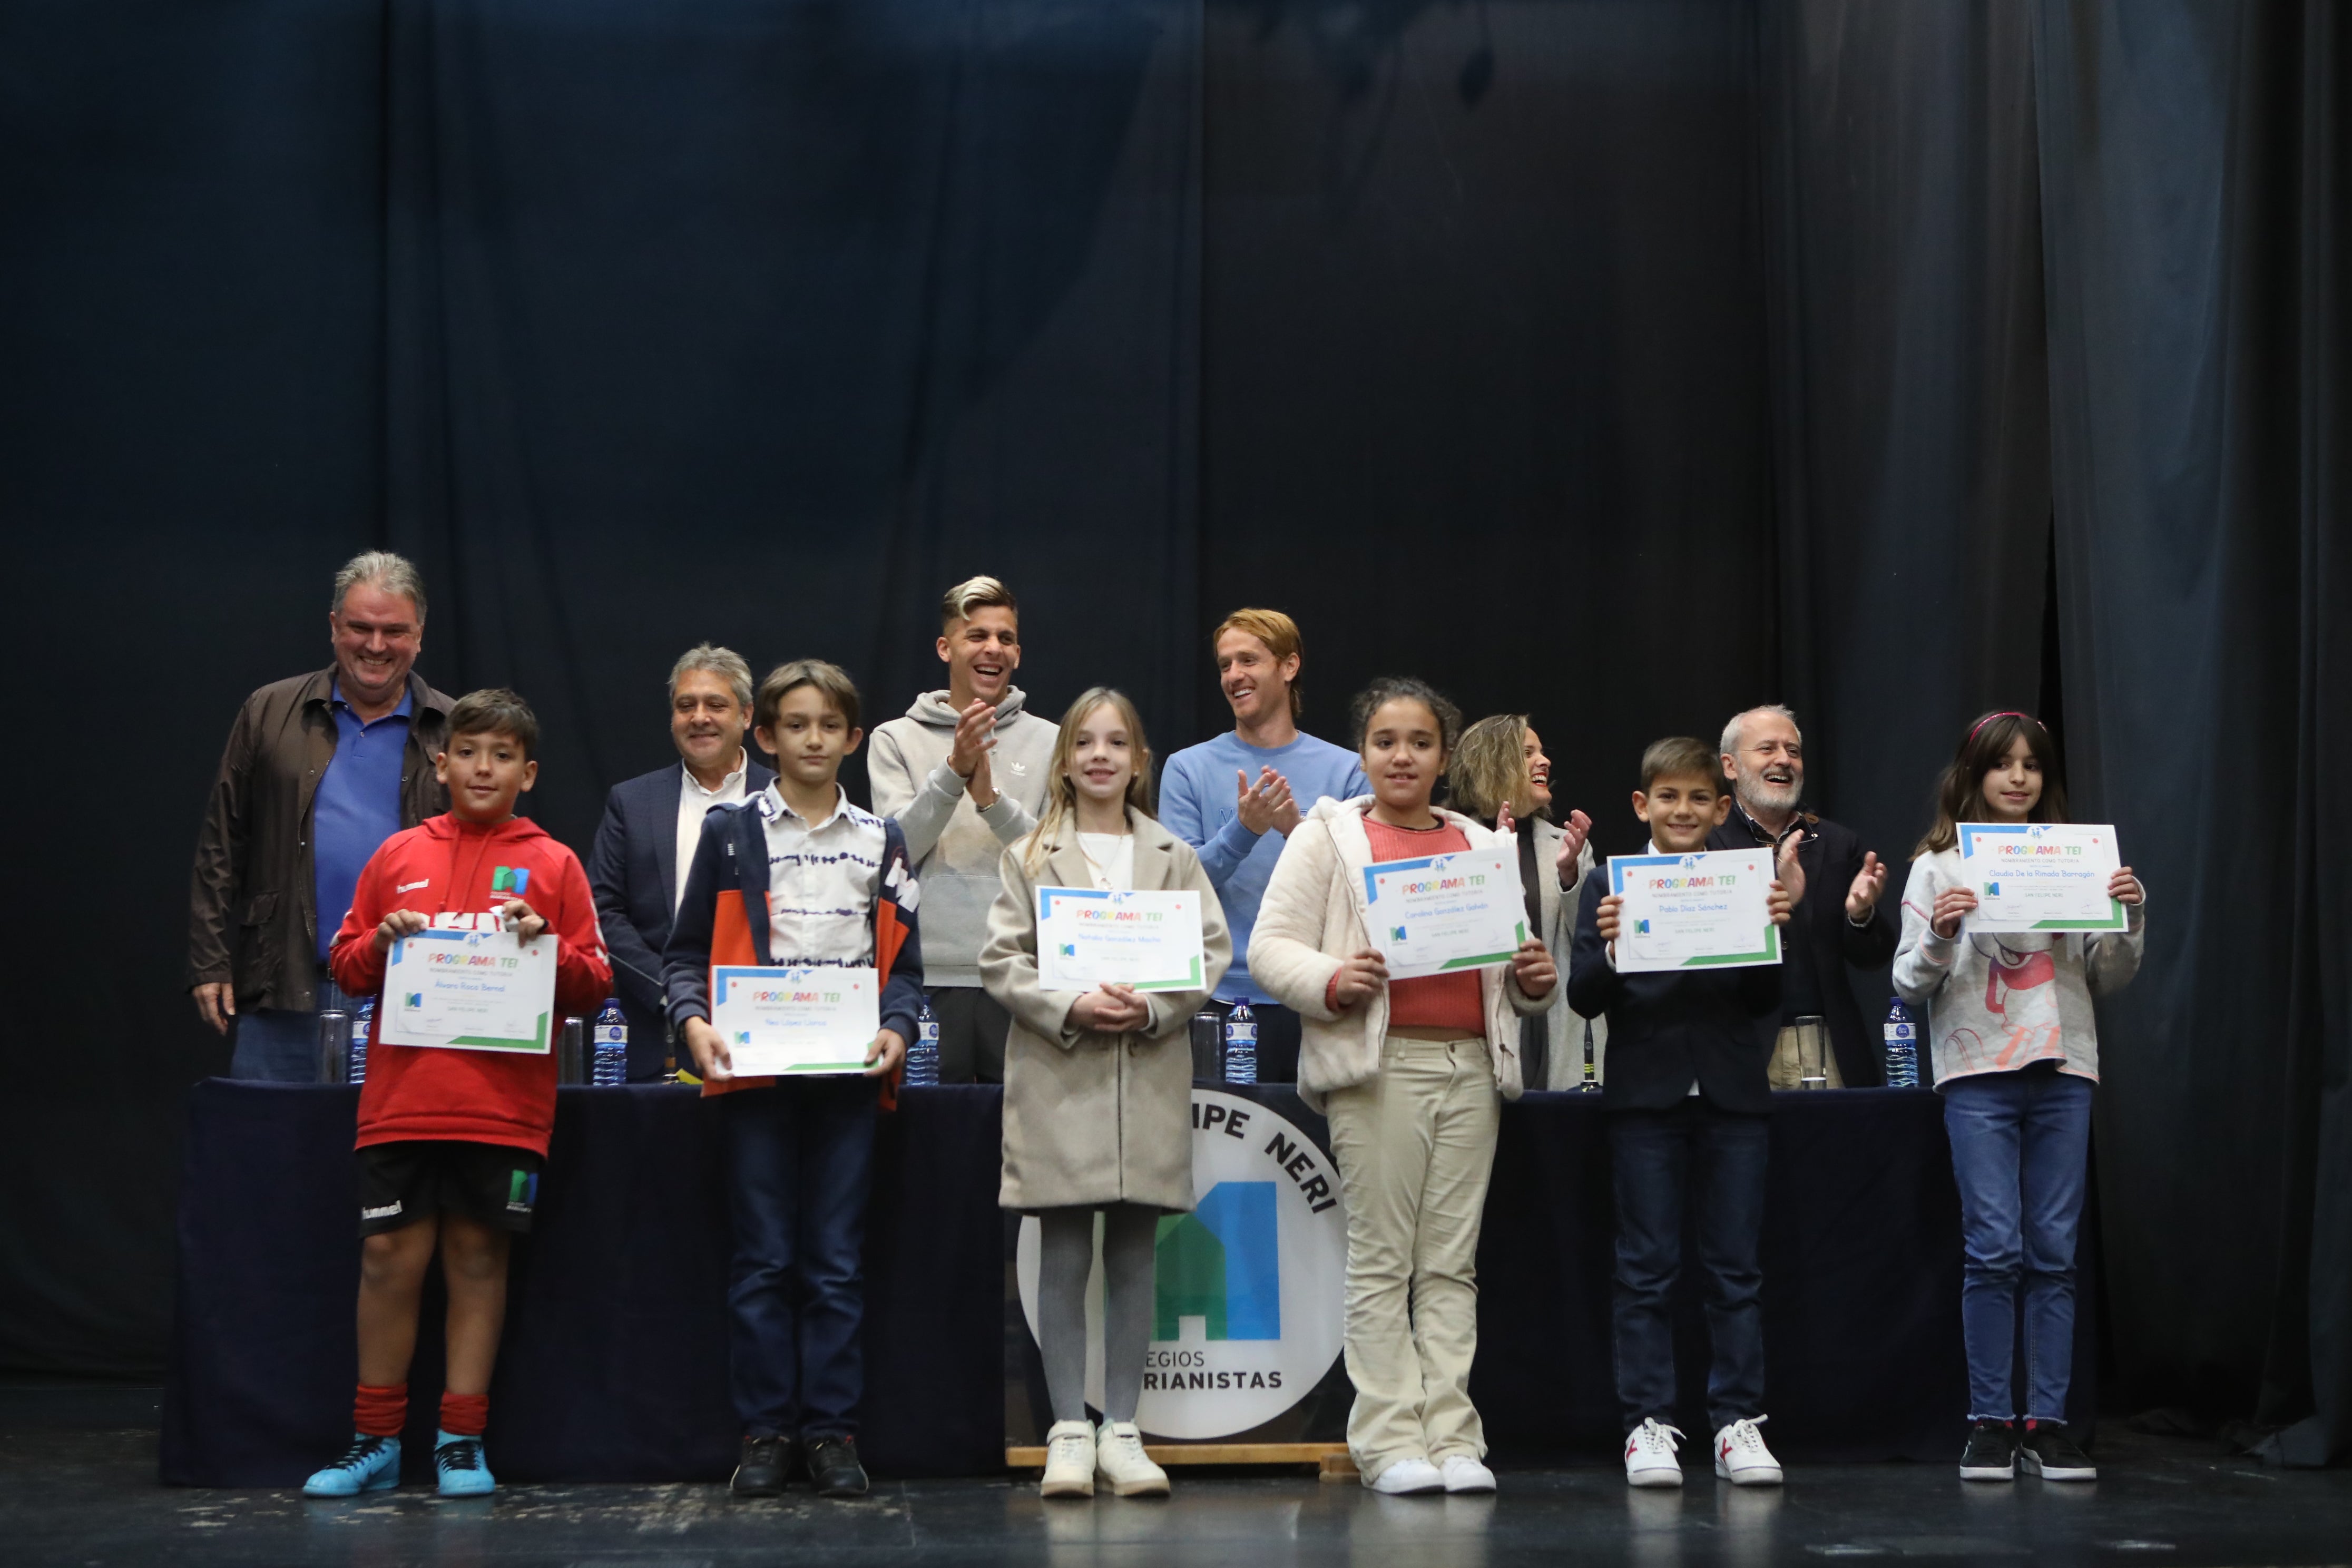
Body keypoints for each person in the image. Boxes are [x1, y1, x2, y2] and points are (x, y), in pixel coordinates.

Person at [300, 689, 613, 1498]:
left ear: (529, 772)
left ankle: (461, 1440)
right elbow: (345, 964)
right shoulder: (398, 854)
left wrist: (546, 944)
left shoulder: (555, 864)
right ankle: (373, 1440)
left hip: (504, 1109)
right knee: (387, 1260)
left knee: (478, 1259)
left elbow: (595, 984)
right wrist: (379, 942)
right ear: (442, 765)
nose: (484, 768)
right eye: (469, 752)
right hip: (401, 1104)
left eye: (502, 756)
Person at [1249, 678, 1558, 1496]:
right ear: (1363, 753)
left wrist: (1533, 978)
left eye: (1420, 742)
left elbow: (1515, 972)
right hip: (1379, 1069)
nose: (1402, 756)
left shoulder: (1478, 845)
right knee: (1384, 1264)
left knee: (1451, 1267)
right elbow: (1271, 947)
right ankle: (1389, 1442)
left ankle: (1454, 1438)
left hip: (1471, 1070)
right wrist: (1334, 977)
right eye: (1386, 741)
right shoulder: (1328, 838)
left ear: (1444, 757)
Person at [664, 660, 924, 1501]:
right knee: (765, 1260)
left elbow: (906, 969)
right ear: (766, 736)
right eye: (796, 725)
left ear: (853, 738)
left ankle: (833, 1433)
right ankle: (768, 1429)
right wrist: (693, 1022)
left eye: (830, 726)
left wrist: (897, 1027)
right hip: (756, 1079)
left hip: (848, 1079)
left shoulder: (882, 840)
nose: (814, 739)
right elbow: (682, 954)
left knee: (837, 1264)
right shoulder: (732, 833)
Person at [979, 689, 1230, 1500]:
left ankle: (1121, 1429)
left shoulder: (1172, 855)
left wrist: (1158, 1007)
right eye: (1084, 742)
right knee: (1061, 1253)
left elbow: (1210, 950)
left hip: (1147, 1074)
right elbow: (1001, 961)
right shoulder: (1029, 853)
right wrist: (1071, 1005)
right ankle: (1066, 1431)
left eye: (1116, 742)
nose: (1099, 755)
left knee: (1132, 1255)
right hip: (1063, 1077)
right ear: (1064, 761)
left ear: (1139, 760)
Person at [1892, 711, 2144, 1485]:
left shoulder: (2077, 860)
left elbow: (2110, 977)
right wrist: (1939, 934)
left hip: (2065, 1066)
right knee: (1994, 1249)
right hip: (1977, 1073)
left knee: (2054, 1254)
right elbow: (1907, 982)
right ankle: (1991, 1422)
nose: (2019, 778)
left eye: (2033, 766)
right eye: (2003, 765)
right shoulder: (1938, 867)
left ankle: (2050, 1424)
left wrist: (2127, 916)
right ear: (1972, 776)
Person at [1567, 737, 1796, 1490]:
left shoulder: (1744, 880)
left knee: (1735, 1270)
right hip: (1644, 1100)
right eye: (1668, 797)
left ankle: (1737, 1423)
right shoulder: (1611, 881)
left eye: (1700, 798)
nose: (1684, 810)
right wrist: (1606, 945)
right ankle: (1648, 1425)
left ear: (1722, 807)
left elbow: (1768, 1003)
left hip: (1733, 1097)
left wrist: (1772, 937)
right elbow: (1583, 998)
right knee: (1647, 1269)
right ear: (1642, 805)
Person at [189, 552, 455, 1080]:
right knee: (271, 1153)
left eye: (394, 631)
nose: (375, 646)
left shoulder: (454, 727)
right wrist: (209, 960)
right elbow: (223, 843)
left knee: (393, 1159)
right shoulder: (268, 712)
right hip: (285, 989)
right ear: (334, 627)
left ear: (420, 635)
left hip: (414, 993)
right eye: (360, 627)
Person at [1160, 609, 1366, 1083]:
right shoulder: (1187, 768)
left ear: (1289, 666)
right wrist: (1244, 831)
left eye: (1248, 660)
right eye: (1225, 665)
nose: (1234, 676)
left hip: (1315, 994)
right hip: (1215, 1002)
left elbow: (1360, 891)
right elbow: (1176, 889)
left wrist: (1298, 832)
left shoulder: (1347, 770)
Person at [869, 576, 1054, 1083]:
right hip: (925, 978)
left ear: (1017, 652)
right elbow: (896, 852)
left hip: (1021, 974)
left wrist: (991, 801)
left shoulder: (1054, 741)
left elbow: (1056, 864)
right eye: (977, 636)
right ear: (945, 648)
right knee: (926, 1142)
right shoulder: (895, 739)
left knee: (1018, 1143)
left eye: (1006, 638)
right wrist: (953, 772)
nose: (993, 648)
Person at [587, 645, 776, 1079]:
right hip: (656, 1030)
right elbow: (603, 910)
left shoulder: (784, 798)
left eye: (716, 705)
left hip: (763, 1026)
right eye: (685, 706)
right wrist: (672, 992)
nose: (699, 717)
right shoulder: (631, 802)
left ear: (747, 716)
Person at [1709, 706, 1895, 1088]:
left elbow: (1873, 958)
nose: (1784, 760)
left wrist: (1861, 915)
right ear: (1730, 766)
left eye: (1793, 751)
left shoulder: (1838, 843)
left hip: (1830, 1043)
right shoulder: (1706, 844)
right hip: (1737, 1045)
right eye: (1768, 749)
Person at [1446, 715, 1605, 1089]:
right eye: (1528, 753)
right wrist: (1493, 865)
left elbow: (1591, 945)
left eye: (1543, 753)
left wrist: (1570, 877)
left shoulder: (1565, 845)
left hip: (1554, 1031)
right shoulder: (1451, 840)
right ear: (1493, 764)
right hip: (1479, 1029)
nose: (1544, 762)